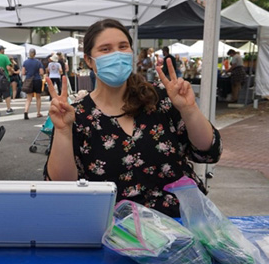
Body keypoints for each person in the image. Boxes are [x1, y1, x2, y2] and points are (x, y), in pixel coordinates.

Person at [44, 18, 222, 217]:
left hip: (183, 222)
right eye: (105, 49)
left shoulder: (161, 99)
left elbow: (208, 151)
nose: (117, 55)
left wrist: (189, 109)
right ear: (88, 60)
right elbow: (62, 187)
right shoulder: (76, 115)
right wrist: (62, 131)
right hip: (117, 233)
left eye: (123, 47)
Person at [22, 48, 44, 120]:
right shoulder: (38, 62)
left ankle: (26, 111)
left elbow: (23, 73)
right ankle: (38, 112)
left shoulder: (25, 62)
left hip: (29, 80)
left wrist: (28, 73)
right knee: (38, 97)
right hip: (37, 80)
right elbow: (41, 72)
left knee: (29, 98)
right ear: (35, 54)